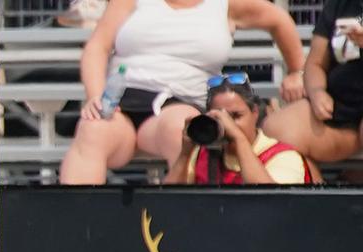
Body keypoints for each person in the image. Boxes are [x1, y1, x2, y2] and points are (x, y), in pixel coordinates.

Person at [56, 0, 305, 184]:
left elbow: (279, 20)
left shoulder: (225, 4)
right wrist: (95, 95)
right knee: (92, 129)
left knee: (183, 129)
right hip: (122, 100)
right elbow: (97, 47)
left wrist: (296, 71)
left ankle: (186, 228)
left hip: (180, 102)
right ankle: (75, 226)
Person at [263, 1, 363, 162]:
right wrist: (317, 92)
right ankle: (310, 176)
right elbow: (315, 63)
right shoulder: (338, 5)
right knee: (275, 130)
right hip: (337, 107)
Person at [173, 74, 314, 184]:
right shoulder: (201, 154)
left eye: (235, 116)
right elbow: (168, 203)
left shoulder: (284, 155)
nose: (227, 124)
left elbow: (269, 200)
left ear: (255, 113)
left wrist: (238, 137)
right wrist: (184, 154)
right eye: (220, 117)